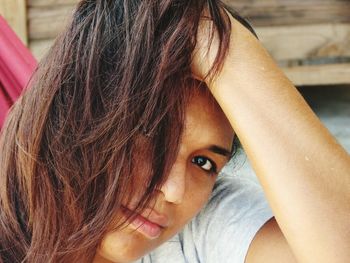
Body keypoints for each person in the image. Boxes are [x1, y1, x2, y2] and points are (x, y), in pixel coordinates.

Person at [0, 1, 349, 262]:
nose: (174, 190)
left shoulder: (200, 228)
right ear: (75, 110)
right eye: (152, 134)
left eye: (204, 162)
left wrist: (220, 39)